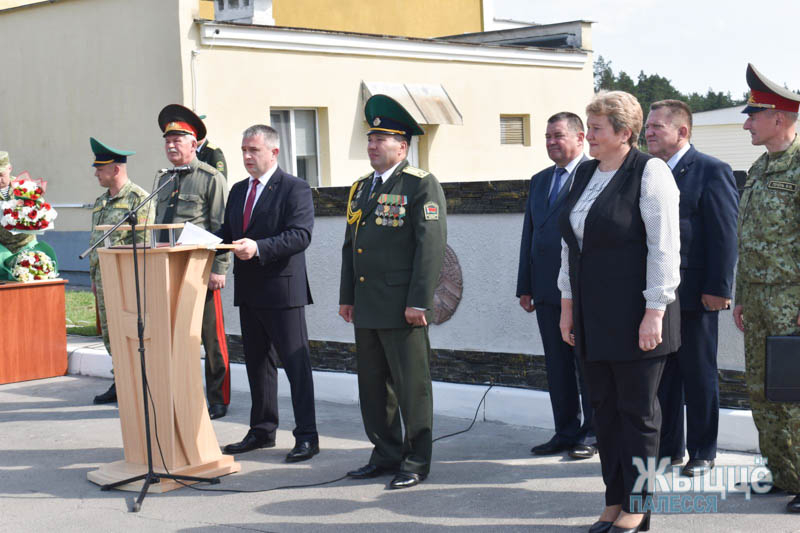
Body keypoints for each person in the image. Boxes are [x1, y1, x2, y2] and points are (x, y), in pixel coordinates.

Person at [559, 91, 681, 533]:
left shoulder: (650, 172)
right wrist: (567, 307)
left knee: (638, 415)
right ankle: (614, 500)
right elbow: (569, 247)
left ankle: (639, 505)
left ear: (624, 133)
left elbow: (664, 248)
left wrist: (654, 312)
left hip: (637, 316)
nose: (587, 135)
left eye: (595, 129)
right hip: (592, 316)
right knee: (604, 412)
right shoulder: (585, 172)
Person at [339, 94, 447, 490]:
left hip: (403, 306)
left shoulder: (420, 184)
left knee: (411, 387)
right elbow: (351, 246)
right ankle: (385, 453)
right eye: (370, 139)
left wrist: (419, 301)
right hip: (367, 305)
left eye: (380, 139)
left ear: (402, 146)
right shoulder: (361, 188)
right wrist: (347, 296)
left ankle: (416, 460)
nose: (372, 146)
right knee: (372, 387)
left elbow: (430, 246)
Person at [645, 100, 739, 477]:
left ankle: (703, 450)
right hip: (659, 294)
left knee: (698, 373)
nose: (648, 132)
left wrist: (719, 287)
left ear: (682, 131)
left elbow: (724, 234)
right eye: (647, 126)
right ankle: (670, 449)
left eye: (657, 126)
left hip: (697, 293)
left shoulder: (711, 170)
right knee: (664, 375)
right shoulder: (649, 171)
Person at [219, 125, 319, 462]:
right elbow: (228, 232)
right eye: (244, 150)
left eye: (254, 150)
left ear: (274, 152)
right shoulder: (238, 190)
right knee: (258, 365)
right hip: (249, 291)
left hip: (282, 291)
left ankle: (307, 436)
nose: (247, 156)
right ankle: (262, 431)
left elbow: (300, 235)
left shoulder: (294, 188)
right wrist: (197, 240)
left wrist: (259, 247)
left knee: (295, 365)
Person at [733, 63, 800, 513]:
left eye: (753, 116)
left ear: (778, 117)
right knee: (761, 390)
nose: (747, 124)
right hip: (757, 298)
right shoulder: (759, 167)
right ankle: (782, 472)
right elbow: (747, 237)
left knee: (794, 392)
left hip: (790, 299)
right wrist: (741, 295)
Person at [516, 112, 596, 460]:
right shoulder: (540, 180)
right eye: (548, 136)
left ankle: (591, 433)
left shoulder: (595, 175)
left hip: (582, 289)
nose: (551, 142)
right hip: (546, 290)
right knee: (557, 365)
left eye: (558, 135)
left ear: (580, 138)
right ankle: (565, 431)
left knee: (586, 364)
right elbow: (530, 234)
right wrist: (525, 285)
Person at [154, 104, 232, 419]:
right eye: (167, 140)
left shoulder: (210, 178)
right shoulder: (163, 179)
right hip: (167, 270)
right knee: (175, 336)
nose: (171, 145)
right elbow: (160, 225)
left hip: (200, 270)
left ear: (194, 143)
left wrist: (219, 269)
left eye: (178, 140)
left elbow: (222, 226)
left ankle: (218, 398)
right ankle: (182, 393)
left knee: (211, 339)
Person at [87, 138, 154, 404]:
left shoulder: (138, 199)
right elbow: (96, 242)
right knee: (110, 333)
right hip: (103, 277)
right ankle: (121, 380)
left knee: (130, 333)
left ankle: (138, 383)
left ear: (115, 169)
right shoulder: (101, 201)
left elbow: (143, 243)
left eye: (100, 169)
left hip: (125, 279)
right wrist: (94, 278)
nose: (96, 174)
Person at [0, 151, 35, 253]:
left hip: (26, 244)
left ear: (9, 168)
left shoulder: (24, 186)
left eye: (1, 175)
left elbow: (39, 210)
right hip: (1, 248)